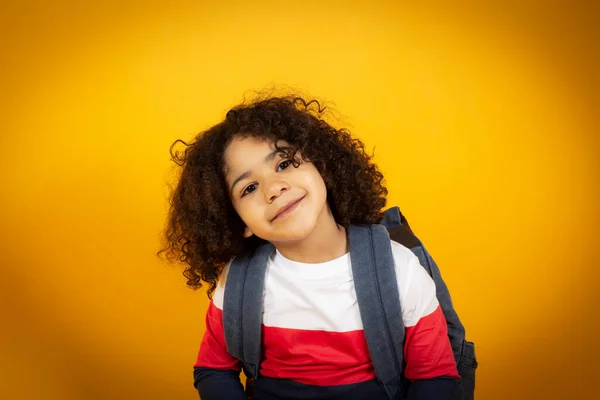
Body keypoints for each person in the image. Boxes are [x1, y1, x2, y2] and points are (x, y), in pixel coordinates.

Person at [159, 95, 460, 400]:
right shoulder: (237, 283)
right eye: (249, 188)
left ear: (321, 165)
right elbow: (213, 370)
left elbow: (435, 377)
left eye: (284, 163)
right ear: (239, 222)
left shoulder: (400, 269)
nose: (274, 188)